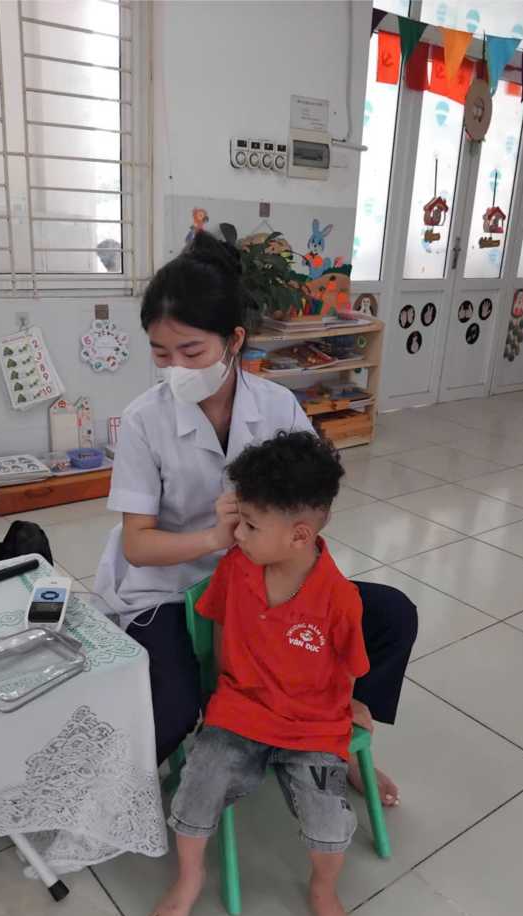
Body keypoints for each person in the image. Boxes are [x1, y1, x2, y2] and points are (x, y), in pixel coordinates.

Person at [93, 231, 417, 809]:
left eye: (191, 352)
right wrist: (213, 537)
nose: (175, 369)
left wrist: (282, 542)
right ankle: (105, 799)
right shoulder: (144, 420)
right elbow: (137, 546)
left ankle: (334, 733)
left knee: (392, 615)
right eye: (161, 354)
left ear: (234, 340)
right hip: (171, 586)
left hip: (265, 582)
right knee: (172, 710)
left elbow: (314, 505)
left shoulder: (276, 406)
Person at [150, 431, 366, 916]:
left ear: (299, 535)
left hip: (312, 726)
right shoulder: (236, 567)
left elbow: (349, 669)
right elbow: (221, 633)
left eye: (249, 524)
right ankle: (190, 877)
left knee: (330, 823)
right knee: (194, 790)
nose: (236, 533)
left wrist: (348, 710)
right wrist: (221, 701)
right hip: (239, 713)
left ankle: (323, 891)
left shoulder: (340, 599)